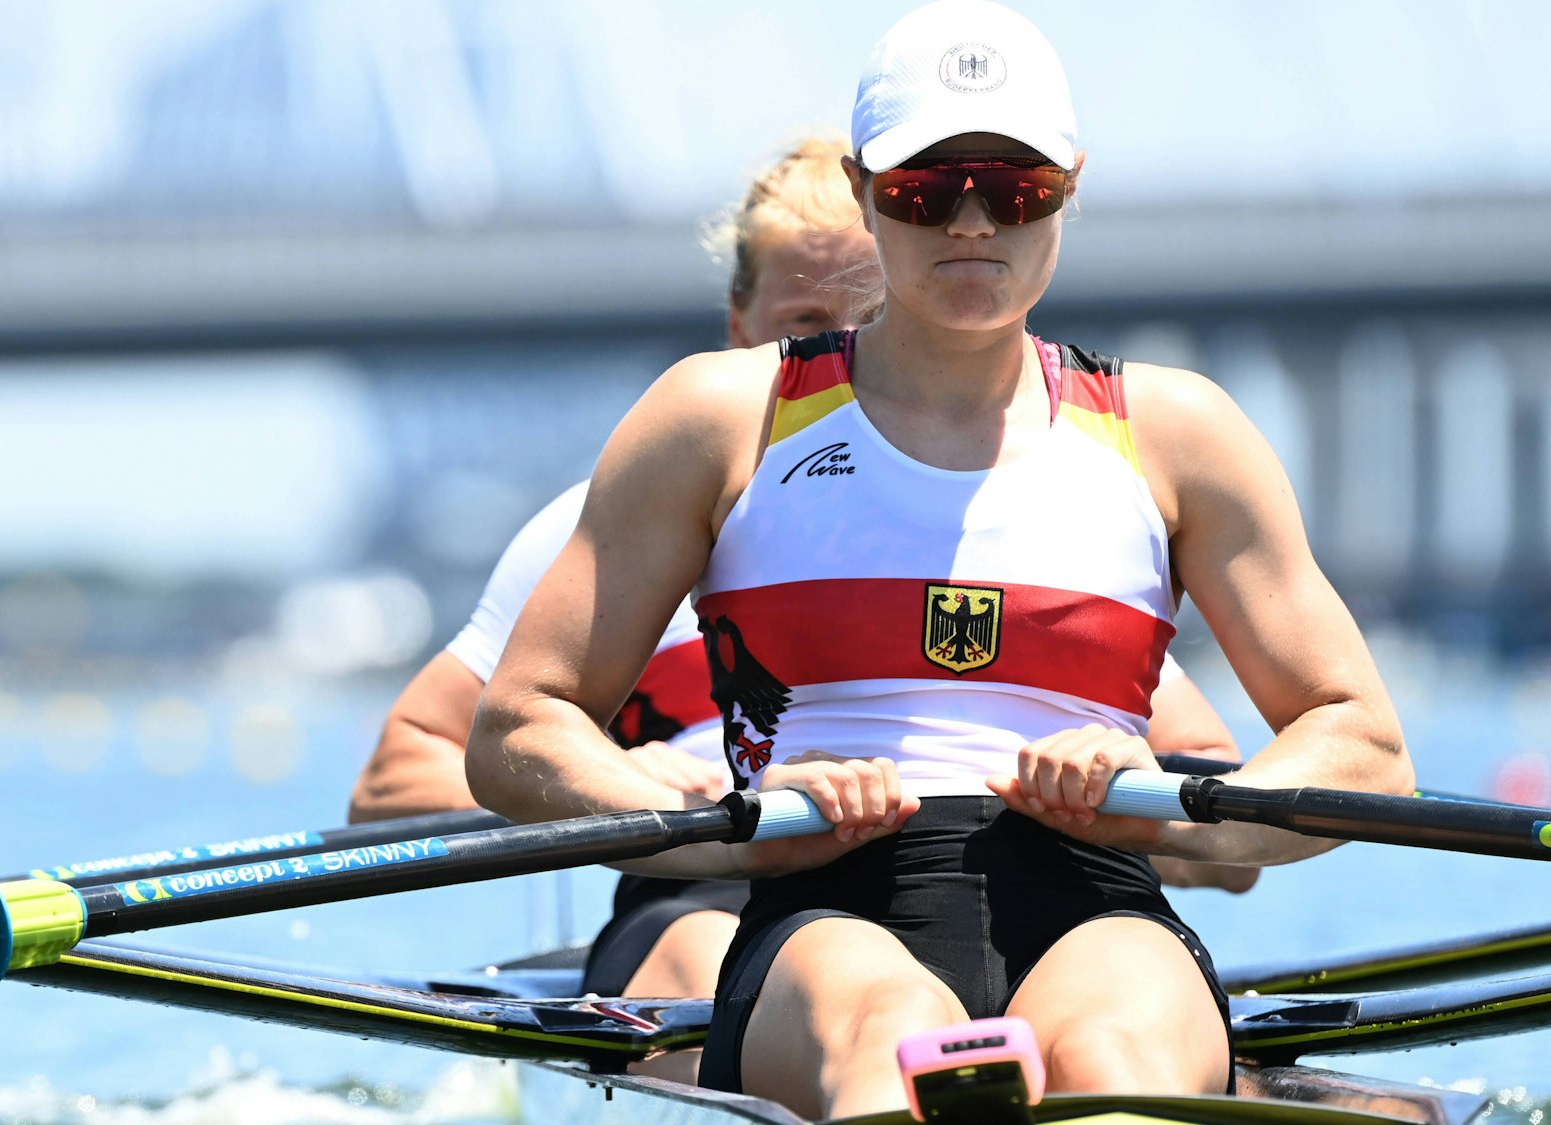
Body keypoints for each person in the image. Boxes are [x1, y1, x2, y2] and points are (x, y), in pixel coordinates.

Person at [462, 0, 1410, 1117]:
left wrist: (1165, 811)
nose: (971, 221)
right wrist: (731, 832)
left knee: (1112, 1061)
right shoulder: (719, 418)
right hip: (822, 904)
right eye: (926, 188)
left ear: (1068, 187)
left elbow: (1362, 746)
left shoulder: (1177, 432)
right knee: (892, 1042)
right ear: (864, 187)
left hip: (1101, 903)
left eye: (1014, 188)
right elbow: (516, 729)